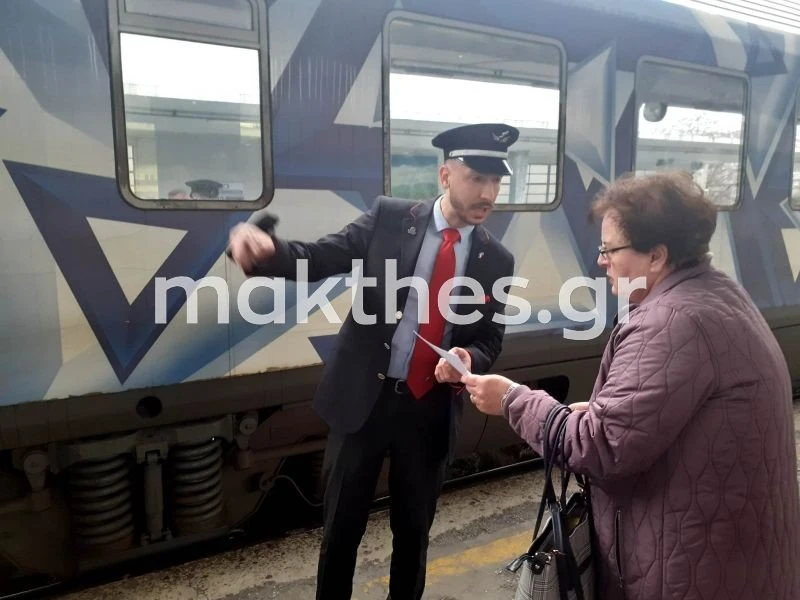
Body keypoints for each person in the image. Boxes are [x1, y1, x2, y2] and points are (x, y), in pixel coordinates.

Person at [463, 171, 800, 600]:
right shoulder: (715, 294)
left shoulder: (672, 323)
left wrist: (512, 399)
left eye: (609, 249)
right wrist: (603, 410)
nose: (600, 260)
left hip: (691, 569)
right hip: (724, 556)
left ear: (656, 256)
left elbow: (599, 448)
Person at [227, 123, 518, 600]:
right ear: (446, 175)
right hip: (365, 398)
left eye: (496, 182)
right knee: (341, 531)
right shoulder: (390, 218)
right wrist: (267, 254)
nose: (488, 193)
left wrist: (470, 355)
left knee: (413, 535)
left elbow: (491, 334)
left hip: (429, 409)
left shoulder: (495, 259)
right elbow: (320, 257)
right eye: (476, 179)